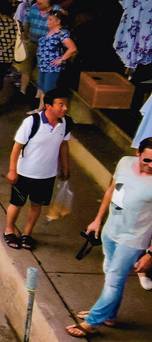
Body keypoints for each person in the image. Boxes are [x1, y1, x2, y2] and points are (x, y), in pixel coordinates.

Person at [65, 138, 152, 338]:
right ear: (138, 153)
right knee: (112, 275)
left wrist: (149, 253)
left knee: (113, 280)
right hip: (111, 230)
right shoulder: (125, 163)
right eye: (147, 160)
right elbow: (114, 191)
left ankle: (93, 322)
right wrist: (98, 220)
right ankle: (109, 315)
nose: (151, 166)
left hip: (132, 239)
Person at [5, 89, 72, 250]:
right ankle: (9, 230)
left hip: (48, 174)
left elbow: (64, 145)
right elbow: (17, 147)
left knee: (37, 205)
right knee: (17, 203)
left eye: (66, 104)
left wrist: (65, 167)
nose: (65, 108)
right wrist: (12, 170)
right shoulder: (32, 122)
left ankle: (27, 233)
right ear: (48, 106)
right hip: (25, 172)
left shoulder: (66, 123)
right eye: (60, 104)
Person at [32, 10, 77, 113]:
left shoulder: (62, 33)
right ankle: (41, 109)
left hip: (52, 67)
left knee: (49, 89)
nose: (48, 21)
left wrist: (61, 59)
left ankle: (50, 112)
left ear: (58, 21)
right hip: (43, 65)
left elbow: (72, 48)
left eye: (50, 20)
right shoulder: (49, 32)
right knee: (43, 87)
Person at [17, 0, 60, 100]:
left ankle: (38, 97)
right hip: (32, 42)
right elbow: (27, 21)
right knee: (26, 67)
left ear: (47, 3)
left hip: (46, 48)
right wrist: (24, 36)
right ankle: (22, 91)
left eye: (40, 3)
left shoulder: (56, 11)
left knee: (42, 71)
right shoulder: (34, 8)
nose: (37, 4)